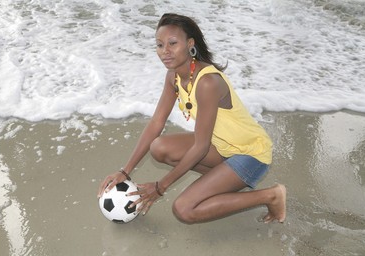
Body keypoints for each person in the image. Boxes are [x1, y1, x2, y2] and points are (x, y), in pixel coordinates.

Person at [98, 13, 286, 224]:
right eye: (159, 45)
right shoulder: (174, 76)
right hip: (222, 147)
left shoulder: (207, 83)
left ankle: (271, 195)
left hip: (250, 153)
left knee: (184, 209)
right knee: (159, 148)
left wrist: (161, 187)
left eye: (172, 43)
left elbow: (201, 146)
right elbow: (156, 122)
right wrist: (125, 170)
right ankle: (223, 178)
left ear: (190, 44)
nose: (165, 51)